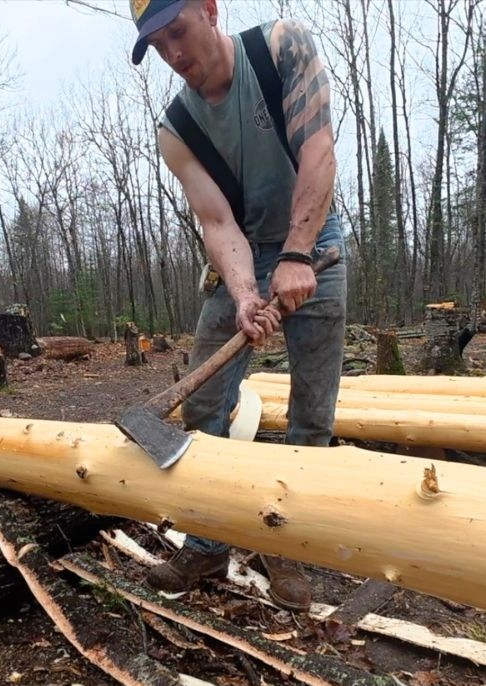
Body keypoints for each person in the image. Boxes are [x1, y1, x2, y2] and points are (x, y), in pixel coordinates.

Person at [129, 0, 347, 611]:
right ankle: (208, 541)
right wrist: (247, 293)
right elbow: (218, 221)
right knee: (204, 404)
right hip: (242, 252)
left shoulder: (280, 48)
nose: (174, 54)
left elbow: (318, 151)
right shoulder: (176, 129)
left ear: (209, 10)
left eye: (177, 32)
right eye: (158, 46)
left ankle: (286, 543)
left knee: (313, 412)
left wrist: (298, 255)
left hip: (317, 242)